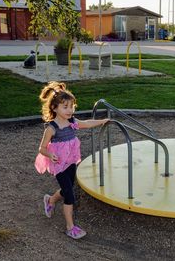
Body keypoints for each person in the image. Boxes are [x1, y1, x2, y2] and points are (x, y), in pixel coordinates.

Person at [34, 81, 109, 239]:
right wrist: (50, 155)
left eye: (72, 106)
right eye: (65, 107)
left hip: (71, 161)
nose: (70, 110)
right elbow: (42, 148)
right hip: (59, 164)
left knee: (67, 188)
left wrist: (102, 121)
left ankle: (50, 200)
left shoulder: (72, 122)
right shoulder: (51, 128)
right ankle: (70, 227)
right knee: (69, 195)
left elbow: (87, 124)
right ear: (54, 108)